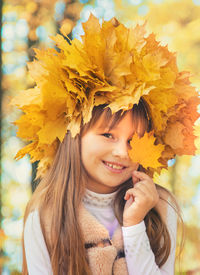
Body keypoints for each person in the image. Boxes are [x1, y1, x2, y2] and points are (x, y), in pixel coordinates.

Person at [12, 14, 199, 275]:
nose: (122, 151)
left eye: (134, 140)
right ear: (75, 134)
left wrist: (134, 226)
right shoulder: (45, 213)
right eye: (108, 135)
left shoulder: (158, 207)